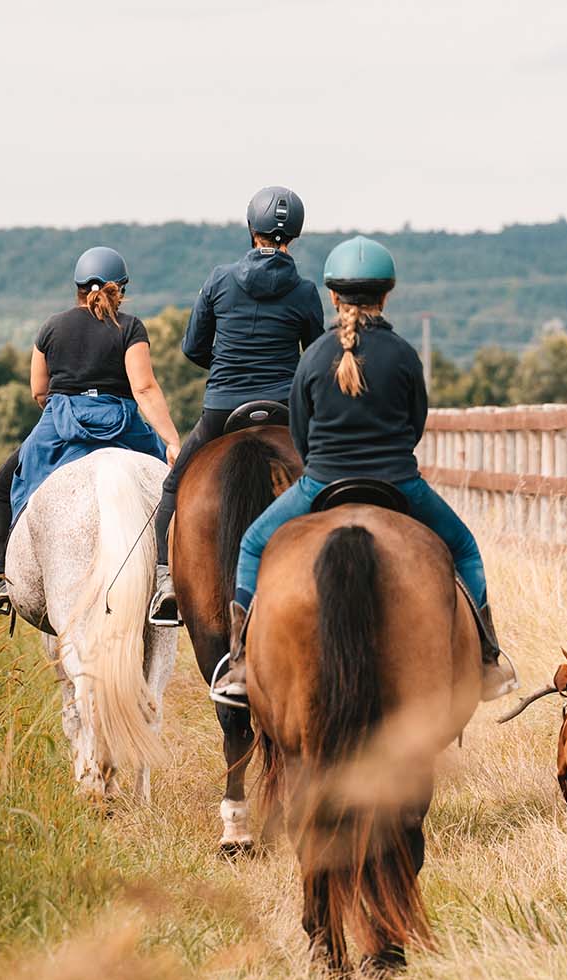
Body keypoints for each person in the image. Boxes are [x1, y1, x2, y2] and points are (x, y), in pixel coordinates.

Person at [207, 235, 518, 705]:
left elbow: (301, 433)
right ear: (386, 294)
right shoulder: (404, 355)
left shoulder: (312, 357)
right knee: (465, 549)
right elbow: (415, 424)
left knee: (251, 544)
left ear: (333, 295)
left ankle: (241, 663)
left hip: (320, 484)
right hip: (399, 484)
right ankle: (487, 660)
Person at [144, 186, 324, 627]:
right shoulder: (303, 290)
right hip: (284, 409)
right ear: (294, 236)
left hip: (222, 410)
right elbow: (316, 356)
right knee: (326, 481)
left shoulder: (219, 279)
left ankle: (166, 582)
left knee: (174, 486)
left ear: (251, 228)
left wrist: (224, 366)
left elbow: (192, 347)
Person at [0, 246, 182, 615]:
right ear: (121, 289)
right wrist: (171, 440)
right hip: (123, 425)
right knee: (176, 489)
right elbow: (145, 389)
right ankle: (174, 575)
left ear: (77, 287)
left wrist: (64, 409)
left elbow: (39, 390)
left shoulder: (51, 328)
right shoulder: (130, 327)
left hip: (61, 423)